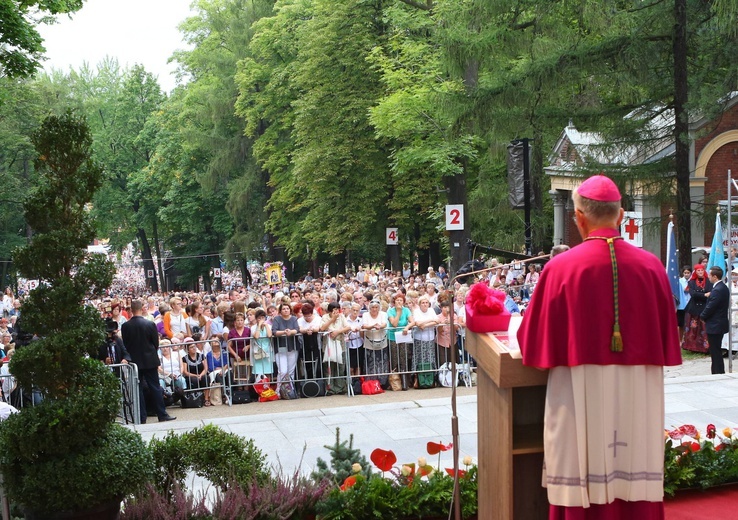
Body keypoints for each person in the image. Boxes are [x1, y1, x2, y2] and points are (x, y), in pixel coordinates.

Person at [516, 175, 681, 519]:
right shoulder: (652, 267)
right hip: (638, 391)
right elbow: (669, 334)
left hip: (579, 390)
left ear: (579, 217)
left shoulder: (560, 268)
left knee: (579, 468)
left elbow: (531, 343)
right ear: (621, 215)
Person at [121, 299, 176, 423]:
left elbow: (126, 343)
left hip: (134, 361)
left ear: (132, 310)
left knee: (138, 388)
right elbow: (155, 343)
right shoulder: (150, 324)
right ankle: (162, 414)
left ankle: (141, 416)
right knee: (155, 387)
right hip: (150, 359)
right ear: (141, 308)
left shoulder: (125, 326)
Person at [701, 265, 729, 375]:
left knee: (715, 350)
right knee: (715, 350)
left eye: (710, 275)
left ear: (715, 277)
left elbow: (711, 307)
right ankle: (717, 370)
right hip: (718, 323)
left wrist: (702, 316)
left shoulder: (718, 290)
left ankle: (718, 372)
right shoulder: (721, 287)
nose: (708, 277)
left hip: (715, 324)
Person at [682, 264, 713, 353]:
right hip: (693, 308)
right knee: (693, 329)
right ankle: (692, 347)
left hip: (705, 308)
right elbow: (693, 294)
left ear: (704, 271)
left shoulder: (708, 281)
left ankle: (705, 348)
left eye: (702, 270)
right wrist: (704, 294)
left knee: (704, 328)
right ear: (695, 272)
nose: (700, 272)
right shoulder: (691, 282)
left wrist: (703, 294)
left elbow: (710, 293)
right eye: (698, 270)